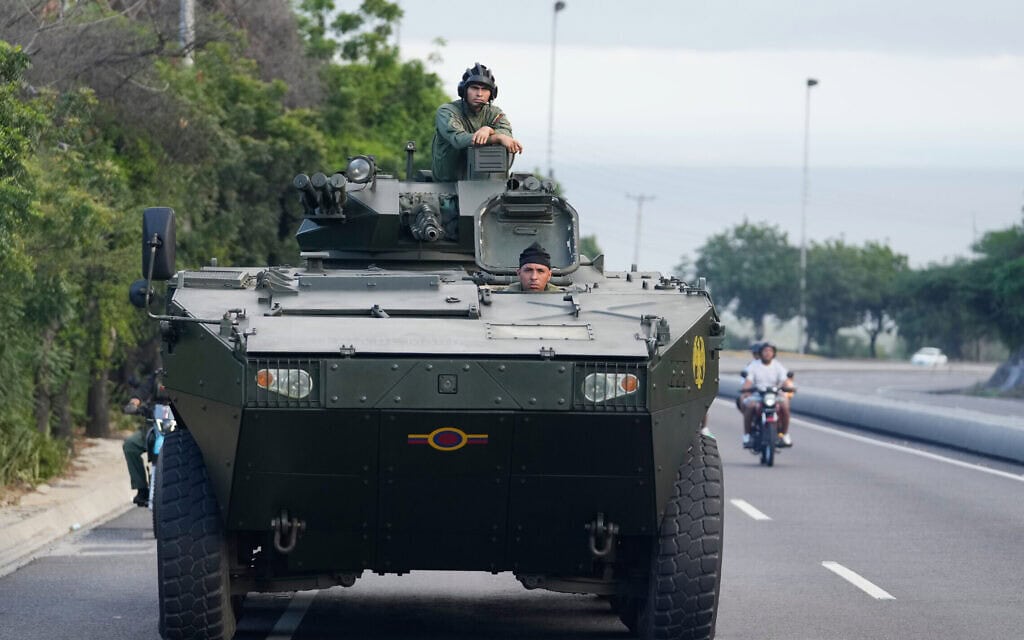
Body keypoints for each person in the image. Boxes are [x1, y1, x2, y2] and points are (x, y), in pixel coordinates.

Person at [431, 62, 524, 182]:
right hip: (447, 183)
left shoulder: (494, 113)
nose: (479, 94)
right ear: (464, 90)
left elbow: (507, 135)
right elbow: (458, 139)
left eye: (485, 89)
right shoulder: (447, 111)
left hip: (485, 184)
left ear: (492, 94)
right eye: (474, 88)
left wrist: (488, 130)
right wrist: (496, 137)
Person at [739, 342, 795, 448]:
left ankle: (784, 434)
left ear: (773, 353)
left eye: (770, 351)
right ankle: (747, 435)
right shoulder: (753, 366)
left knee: (785, 406)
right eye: (765, 351)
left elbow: (785, 380)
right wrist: (746, 389)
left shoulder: (777, 366)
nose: (767, 353)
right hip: (758, 395)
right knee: (750, 406)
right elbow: (748, 381)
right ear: (761, 353)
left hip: (774, 395)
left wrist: (789, 387)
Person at [122, 372, 158, 506]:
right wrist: (134, 404)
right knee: (130, 445)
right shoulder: (158, 376)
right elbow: (142, 391)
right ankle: (142, 489)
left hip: (178, 429)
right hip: (154, 428)